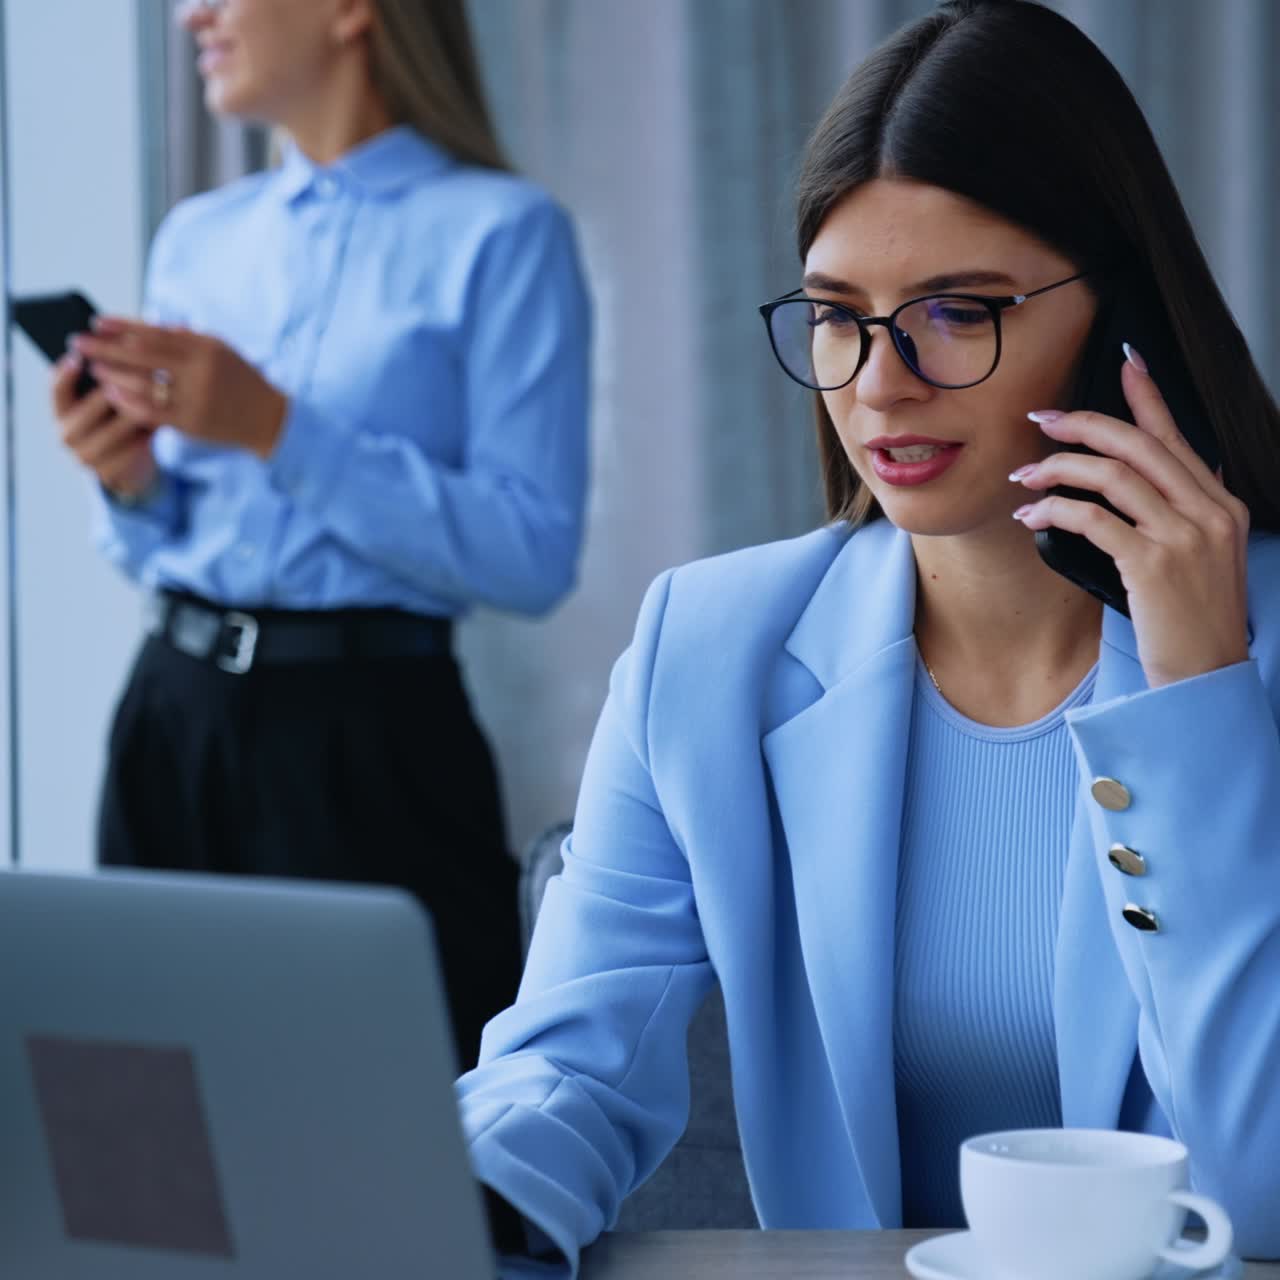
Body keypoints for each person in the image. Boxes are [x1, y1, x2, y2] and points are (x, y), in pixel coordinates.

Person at [455, 0, 1280, 1271]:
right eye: (837, 313)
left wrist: (1195, 693)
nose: (876, 380)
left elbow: (1258, 1184)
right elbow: (570, 1066)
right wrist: (449, 1201)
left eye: (957, 310)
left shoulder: (1249, 660)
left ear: (1116, 316)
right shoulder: (709, 644)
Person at [50, 0, 590, 1072]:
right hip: (171, 713)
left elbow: (531, 553)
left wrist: (275, 426)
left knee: (387, 1134)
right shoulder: (199, 238)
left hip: (368, 741)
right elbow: (170, 536)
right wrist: (129, 483)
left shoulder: (504, 233)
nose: (190, 15)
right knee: (150, 1128)